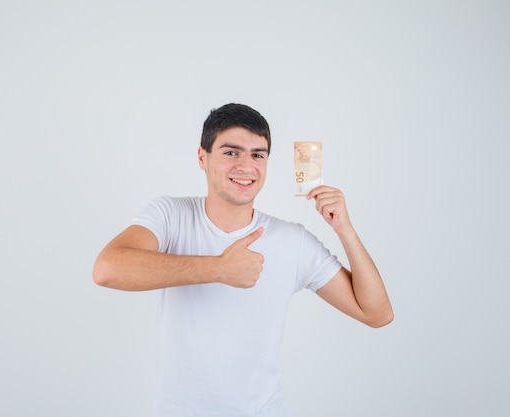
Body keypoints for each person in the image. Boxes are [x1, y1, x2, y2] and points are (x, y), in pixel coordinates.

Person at [93, 103, 393, 417]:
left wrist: (344, 229)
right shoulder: (171, 215)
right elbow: (108, 269)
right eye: (231, 152)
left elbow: (377, 314)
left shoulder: (293, 240)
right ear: (202, 158)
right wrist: (219, 268)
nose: (246, 166)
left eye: (257, 155)